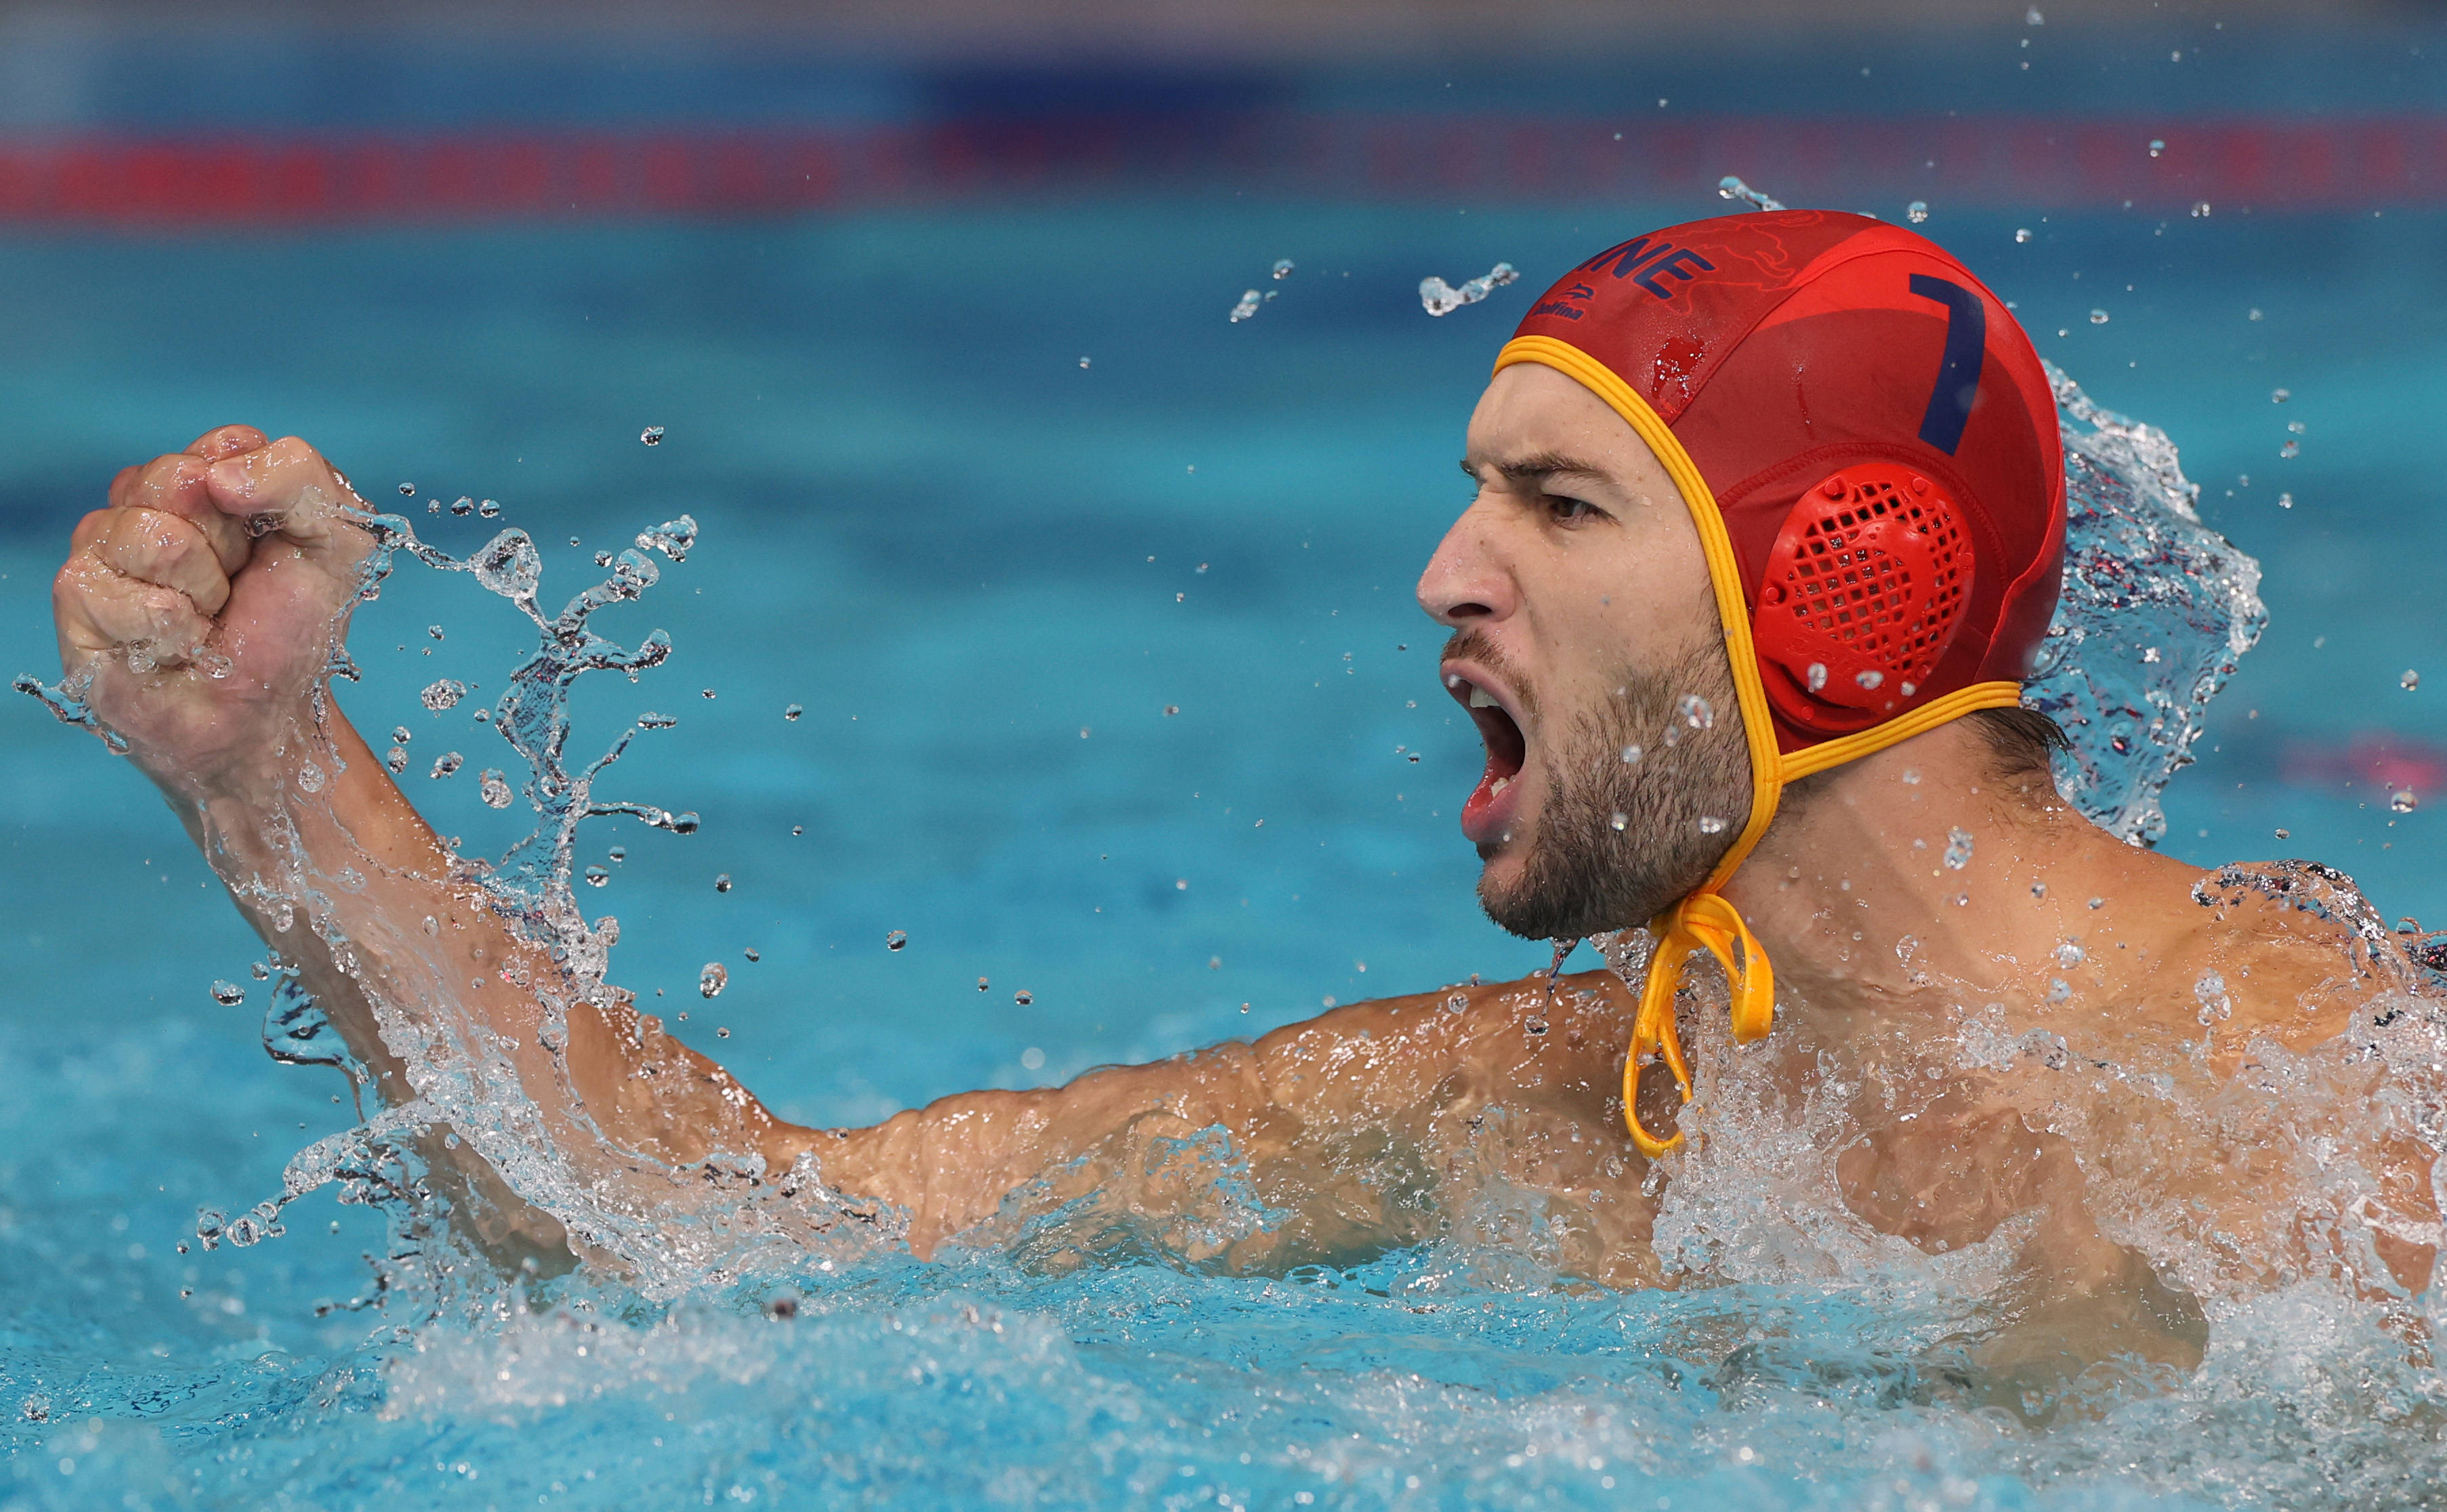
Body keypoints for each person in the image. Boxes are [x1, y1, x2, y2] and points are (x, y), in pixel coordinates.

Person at [44, 210, 2443, 1400]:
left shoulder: (2304, 1082)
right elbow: (702, 1232)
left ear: (1839, 588)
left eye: (1560, 510)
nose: (1444, 576)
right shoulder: (1535, 1110)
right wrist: (265, 776)